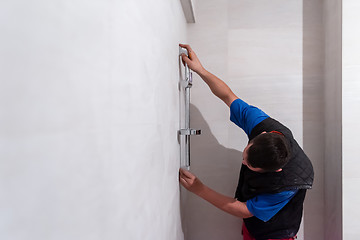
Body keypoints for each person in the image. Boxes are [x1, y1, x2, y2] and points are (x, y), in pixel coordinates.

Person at [178, 43, 314, 240]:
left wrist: (200, 189)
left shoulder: (288, 184)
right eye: (245, 155)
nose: (243, 162)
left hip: (277, 234)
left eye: (248, 164)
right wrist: (200, 70)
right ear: (261, 135)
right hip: (255, 224)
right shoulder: (261, 124)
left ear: (275, 171)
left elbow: (244, 210)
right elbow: (228, 96)